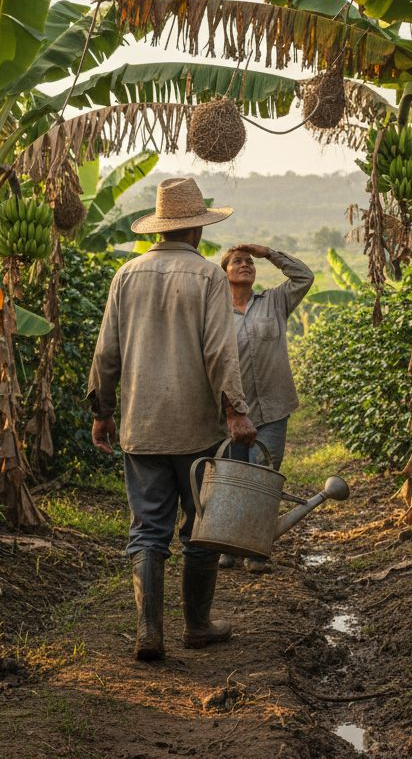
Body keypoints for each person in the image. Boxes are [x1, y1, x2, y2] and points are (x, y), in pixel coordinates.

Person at [87, 177, 257, 662]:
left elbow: (107, 353)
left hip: (141, 427)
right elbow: (220, 352)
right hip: (195, 428)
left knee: (147, 528)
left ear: (162, 228)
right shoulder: (206, 277)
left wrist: (102, 413)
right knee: (199, 528)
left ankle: (149, 632)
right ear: (196, 230)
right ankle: (197, 625)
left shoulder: (128, 274)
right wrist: (236, 411)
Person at [217, 243, 314, 573]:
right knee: (232, 478)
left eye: (248, 262)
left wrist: (268, 253)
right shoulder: (215, 313)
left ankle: (256, 550)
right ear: (225, 272)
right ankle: (229, 544)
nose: (245, 265)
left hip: (273, 406)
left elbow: (304, 276)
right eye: (237, 262)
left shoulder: (274, 301)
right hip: (230, 410)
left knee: (263, 477)